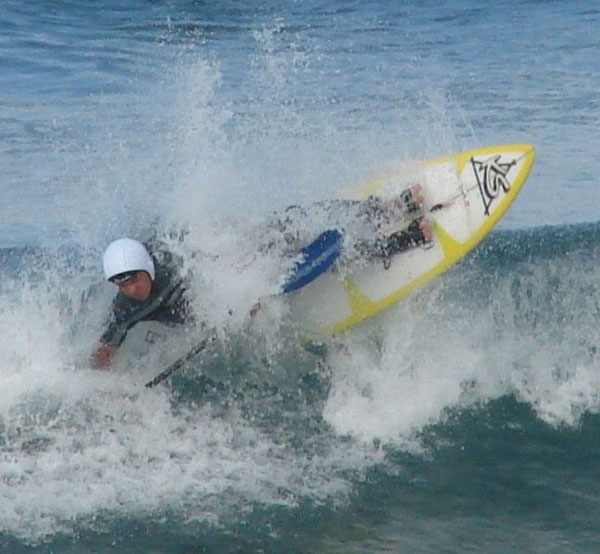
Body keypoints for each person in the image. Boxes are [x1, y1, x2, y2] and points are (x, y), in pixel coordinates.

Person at [91, 237, 192, 368]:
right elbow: (103, 353)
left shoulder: (172, 267)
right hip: (168, 314)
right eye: (122, 285)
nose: (132, 290)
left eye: (134, 280)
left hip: (184, 297)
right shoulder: (125, 308)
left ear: (147, 268)